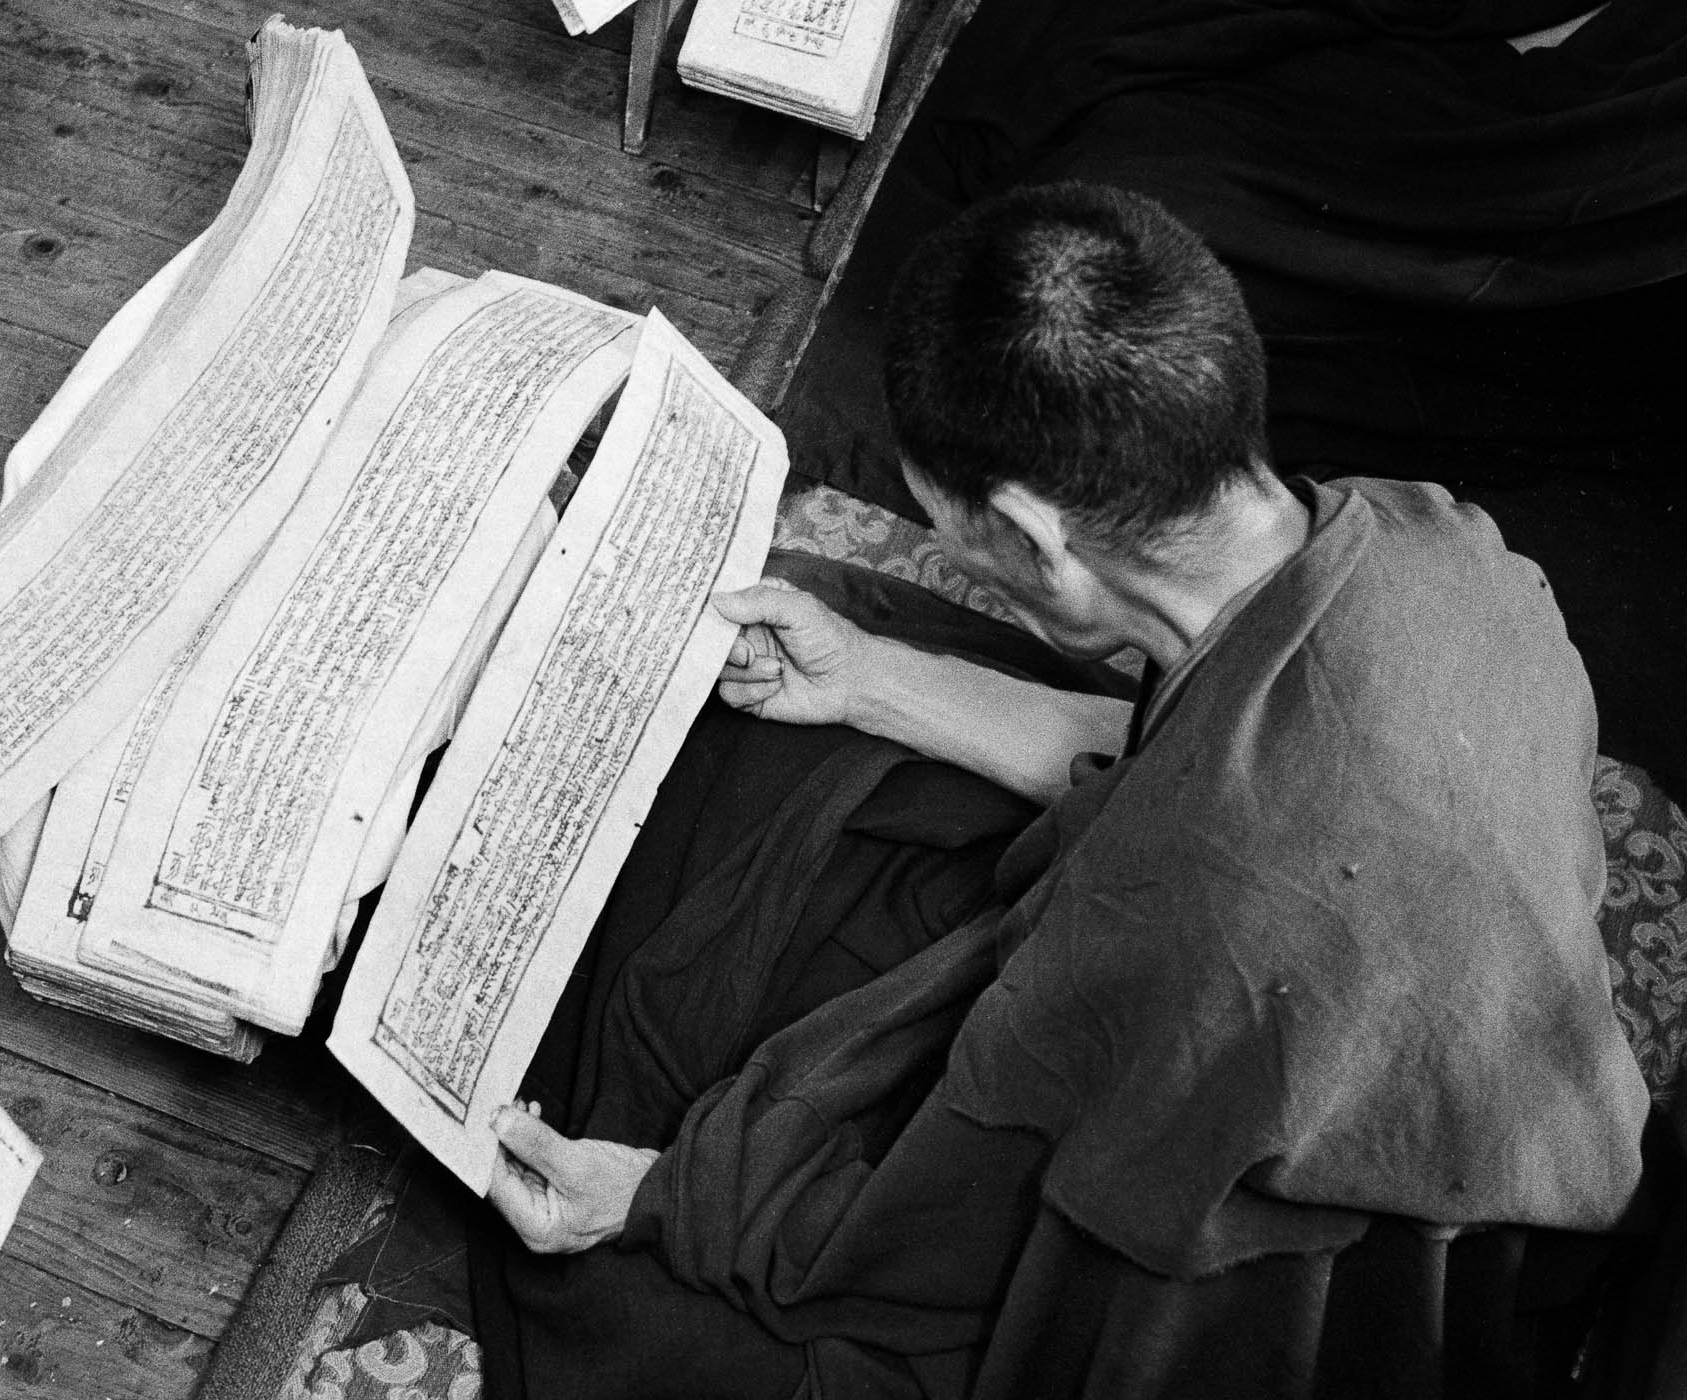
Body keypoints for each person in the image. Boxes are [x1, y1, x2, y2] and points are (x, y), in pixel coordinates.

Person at [471, 181, 1651, 1398]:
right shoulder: (1432, 540)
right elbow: (1178, 745)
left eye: (948, 525)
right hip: (1481, 1072)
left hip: (1309, 1280)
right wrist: (868, 680)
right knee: (829, 732)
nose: (944, 549)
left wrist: (656, 1196)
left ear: (1034, 541)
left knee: (653, 1298)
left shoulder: (1182, 910)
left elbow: (920, 1234)